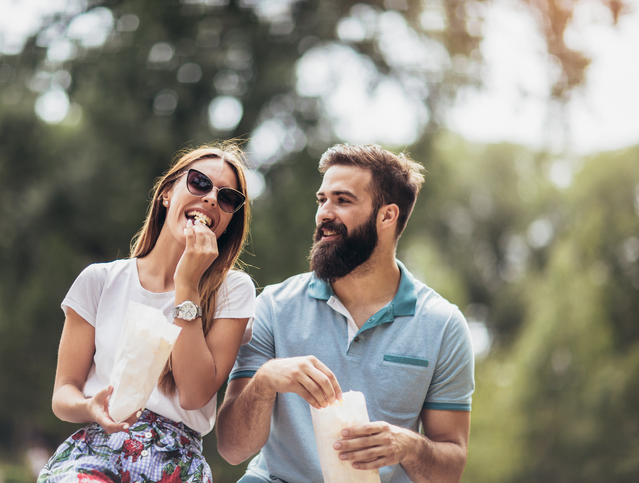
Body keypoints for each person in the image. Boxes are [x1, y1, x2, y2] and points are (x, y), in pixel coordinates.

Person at [216, 144, 475, 483]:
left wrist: (408, 446)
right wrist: (265, 381)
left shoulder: (443, 326)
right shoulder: (274, 305)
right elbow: (232, 449)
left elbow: (451, 466)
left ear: (387, 216)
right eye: (322, 200)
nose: (324, 213)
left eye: (343, 200)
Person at [38, 143, 256, 483]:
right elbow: (64, 392)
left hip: (177, 463)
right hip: (98, 449)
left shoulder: (234, 290)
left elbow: (194, 394)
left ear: (228, 220)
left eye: (227, 198)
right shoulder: (100, 280)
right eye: (199, 182)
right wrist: (90, 407)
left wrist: (188, 284)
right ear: (167, 193)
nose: (212, 198)